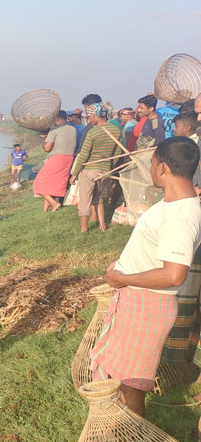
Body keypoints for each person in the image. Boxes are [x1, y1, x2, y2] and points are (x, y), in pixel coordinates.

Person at [89, 137, 201, 417]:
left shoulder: (180, 216)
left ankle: (132, 432)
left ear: (162, 168)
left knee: (131, 382)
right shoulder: (175, 204)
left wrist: (123, 279)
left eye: (151, 164)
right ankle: (122, 426)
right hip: (137, 299)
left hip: (147, 304)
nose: (149, 170)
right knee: (121, 373)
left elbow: (174, 274)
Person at [69, 103, 121, 233]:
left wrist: (74, 173)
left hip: (90, 170)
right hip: (105, 171)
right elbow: (117, 152)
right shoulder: (116, 130)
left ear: (96, 116)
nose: (89, 120)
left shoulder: (93, 132)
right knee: (98, 198)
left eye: (89, 117)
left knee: (85, 200)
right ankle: (102, 226)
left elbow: (84, 155)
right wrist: (109, 167)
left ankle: (84, 229)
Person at [33, 111, 78, 212]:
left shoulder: (54, 131)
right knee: (54, 185)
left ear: (57, 119)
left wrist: (45, 140)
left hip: (57, 159)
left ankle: (54, 203)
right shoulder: (73, 129)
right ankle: (46, 211)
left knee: (38, 185)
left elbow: (47, 148)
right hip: (69, 158)